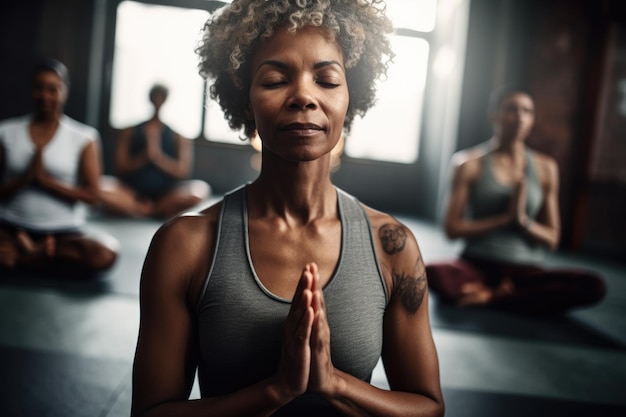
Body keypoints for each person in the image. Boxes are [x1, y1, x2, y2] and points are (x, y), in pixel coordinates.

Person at [131, 1, 444, 416]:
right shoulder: (184, 246)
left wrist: (334, 384)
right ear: (245, 102)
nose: (303, 96)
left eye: (327, 80)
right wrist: (275, 392)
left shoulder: (393, 246)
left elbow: (428, 407)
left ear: (351, 96)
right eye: (277, 79)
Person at [425, 85, 606, 315]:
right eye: (512, 109)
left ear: (532, 118)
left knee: (593, 286)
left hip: (526, 273)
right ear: (494, 115)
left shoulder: (546, 167)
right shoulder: (468, 164)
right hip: (476, 265)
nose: (520, 117)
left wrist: (522, 221)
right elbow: (451, 229)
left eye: (527, 111)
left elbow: (552, 238)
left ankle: (490, 295)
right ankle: (515, 298)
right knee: (431, 272)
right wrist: (504, 219)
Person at [0, 58, 118, 277]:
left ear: (64, 92)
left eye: (53, 89)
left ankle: (23, 257)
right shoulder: (6, 131)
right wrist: (24, 179)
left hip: (63, 235)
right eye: (39, 89)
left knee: (105, 254)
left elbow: (93, 196)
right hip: (11, 228)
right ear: (31, 90)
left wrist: (46, 182)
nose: (45, 96)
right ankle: (39, 257)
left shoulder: (84, 137)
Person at [99, 83, 211, 219]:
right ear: (150, 98)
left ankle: (151, 209)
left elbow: (182, 171)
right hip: (131, 192)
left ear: (165, 100)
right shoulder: (129, 131)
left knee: (201, 189)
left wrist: (156, 156)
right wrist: (144, 156)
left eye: (161, 98)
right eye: (155, 97)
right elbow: (120, 167)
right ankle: (142, 209)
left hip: (166, 195)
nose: (158, 101)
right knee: (99, 185)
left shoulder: (177, 136)